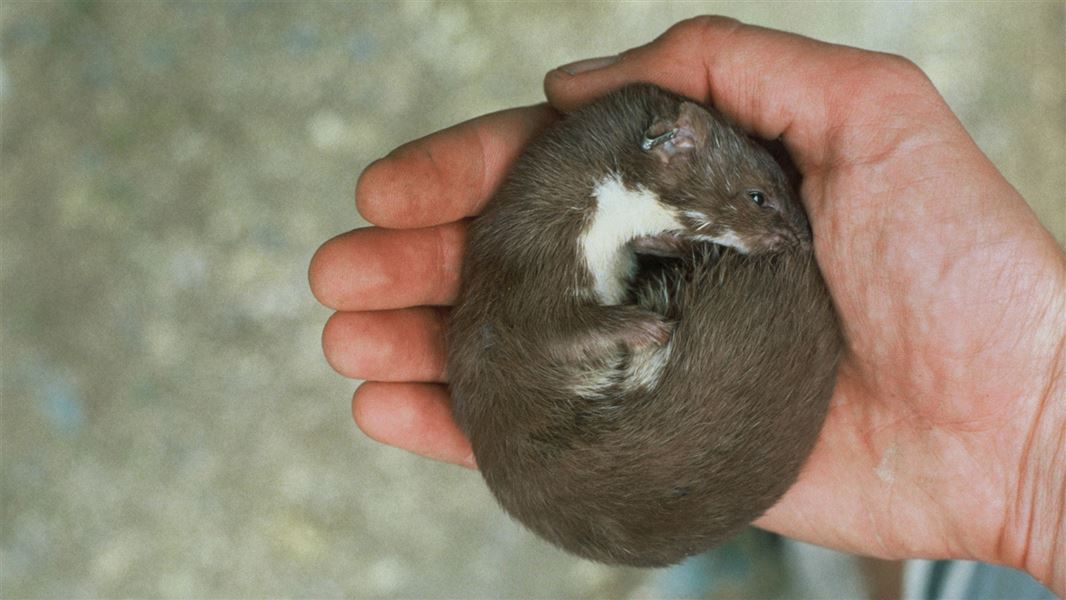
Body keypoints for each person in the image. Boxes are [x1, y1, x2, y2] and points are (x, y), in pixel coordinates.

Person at [309, 17, 1064, 595]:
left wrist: (1040, 455)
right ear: (672, 144)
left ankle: (812, 562)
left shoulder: (576, 229)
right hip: (630, 446)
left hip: (659, 447)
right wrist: (1034, 447)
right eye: (760, 201)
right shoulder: (560, 234)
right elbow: (529, 338)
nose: (781, 227)